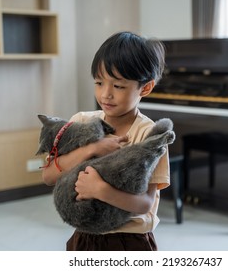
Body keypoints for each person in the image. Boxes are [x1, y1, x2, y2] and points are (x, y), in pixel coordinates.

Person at [41, 31, 170, 251]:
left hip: (129, 242)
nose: (105, 94)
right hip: (84, 237)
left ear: (145, 88)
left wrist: (100, 190)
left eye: (118, 86)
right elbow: (48, 175)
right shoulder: (81, 122)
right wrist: (92, 149)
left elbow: (145, 205)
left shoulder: (151, 135)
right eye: (99, 83)